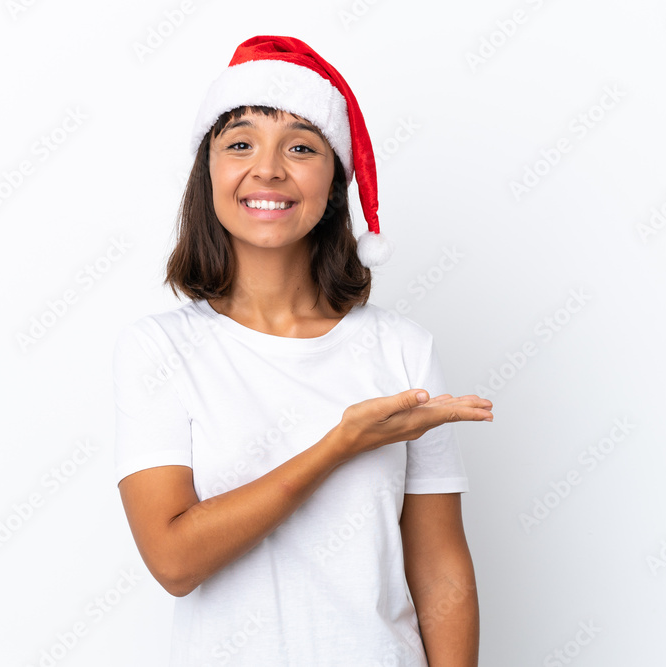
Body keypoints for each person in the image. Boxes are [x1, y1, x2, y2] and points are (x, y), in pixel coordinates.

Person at [113, 35, 493, 666]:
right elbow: (175, 561)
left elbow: (440, 565)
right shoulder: (160, 349)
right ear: (208, 171)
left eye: (301, 147)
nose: (268, 168)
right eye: (240, 143)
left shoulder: (401, 348)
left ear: (333, 183)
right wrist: (337, 447)